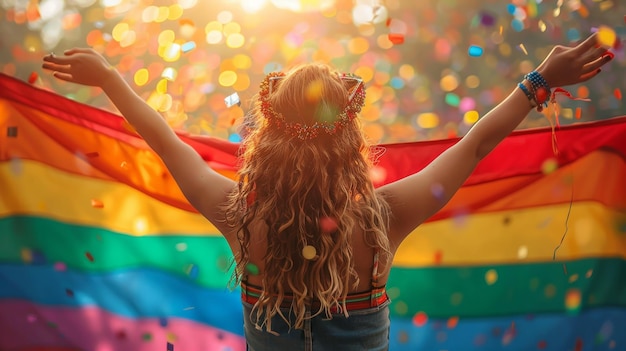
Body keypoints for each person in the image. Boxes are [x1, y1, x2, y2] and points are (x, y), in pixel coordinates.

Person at [42, 32, 612, 350]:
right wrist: (537, 82)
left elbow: (170, 148)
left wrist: (112, 79)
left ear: (268, 135)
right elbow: (475, 147)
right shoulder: (383, 219)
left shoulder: (242, 220)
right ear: (350, 136)